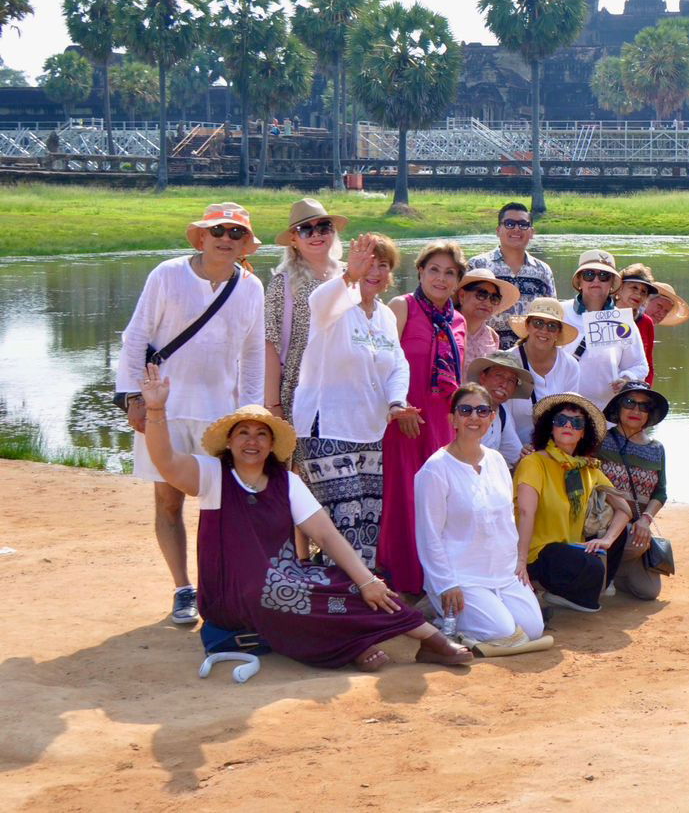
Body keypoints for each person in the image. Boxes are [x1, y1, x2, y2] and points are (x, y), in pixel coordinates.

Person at [136, 366, 472, 671]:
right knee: (284, 596)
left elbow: (326, 537)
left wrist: (367, 581)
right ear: (229, 441)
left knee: (355, 585)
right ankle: (356, 645)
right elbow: (166, 462)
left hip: (287, 577)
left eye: (261, 434)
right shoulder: (213, 474)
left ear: (271, 445)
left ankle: (431, 643)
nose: (252, 441)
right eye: (243, 433)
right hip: (234, 592)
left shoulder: (287, 482)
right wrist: (155, 409)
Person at [115, 202, 265, 625]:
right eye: (218, 230)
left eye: (236, 233)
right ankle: (183, 588)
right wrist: (132, 398)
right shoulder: (167, 274)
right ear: (201, 236)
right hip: (165, 408)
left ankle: (220, 587)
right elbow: (136, 337)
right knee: (168, 500)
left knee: (224, 504)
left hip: (222, 413)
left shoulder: (251, 288)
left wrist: (250, 413)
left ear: (245, 245)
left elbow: (253, 356)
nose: (225, 239)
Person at [294, 234, 413, 570]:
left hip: (370, 432)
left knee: (368, 521)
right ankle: (341, 603)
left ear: (390, 275)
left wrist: (395, 403)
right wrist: (349, 277)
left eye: (383, 265)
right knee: (342, 524)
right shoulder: (335, 303)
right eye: (367, 263)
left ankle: (362, 602)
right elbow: (320, 301)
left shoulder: (386, 316)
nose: (374, 271)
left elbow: (398, 365)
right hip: (327, 428)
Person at [414, 382, 552, 651]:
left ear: (491, 417)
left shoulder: (497, 461)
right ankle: (443, 613)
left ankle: (479, 622)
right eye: (465, 410)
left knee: (534, 630)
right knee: (506, 633)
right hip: (460, 576)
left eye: (482, 410)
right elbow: (428, 535)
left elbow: (506, 522)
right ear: (452, 418)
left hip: (503, 573)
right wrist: (446, 584)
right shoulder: (435, 470)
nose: (474, 417)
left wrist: (518, 563)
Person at [381, 240, 469, 595]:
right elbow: (384, 366)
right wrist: (397, 407)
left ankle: (437, 582)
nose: (441, 278)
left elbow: (457, 381)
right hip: (405, 421)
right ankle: (402, 582)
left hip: (443, 427)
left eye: (450, 273)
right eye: (434, 269)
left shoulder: (459, 320)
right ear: (420, 271)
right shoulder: (401, 307)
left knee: (440, 504)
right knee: (404, 501)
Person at [514, 393, 632, 613]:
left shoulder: (588, 467)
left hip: (571, 549)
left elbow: (624, 509)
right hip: (538, 552)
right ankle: (547, 584)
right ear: (551, 427)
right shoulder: (534, 462)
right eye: (561, 420)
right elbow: (525, 512)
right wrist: (520, 561)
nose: (568, 425)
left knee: (621, 533)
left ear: (583, 432)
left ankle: (577, 590)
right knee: (591, 568)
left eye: (576, 422)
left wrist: (606, 540)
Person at [264, 197, 346, 428]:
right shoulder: (284, 283)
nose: (316, 235)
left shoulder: (351, 275)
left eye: (323, 227)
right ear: (293, 239)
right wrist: (272, 404)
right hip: (301, 388)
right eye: (306, 230)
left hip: (349, 386)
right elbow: (270, 344)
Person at [599, 383, 674, 600]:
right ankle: (604, 573)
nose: (636, 411)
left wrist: (646, 520)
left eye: (644, 406)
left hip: (638, 525)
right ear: (618, 408)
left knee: (648, 592)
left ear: (650, 414)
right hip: (606, 524)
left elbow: (660, 492)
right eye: (629, 403)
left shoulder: (656, 449)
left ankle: (614, 571)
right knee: (633, 543)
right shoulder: (601, 441)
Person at [561, 250, 649, 407]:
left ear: (612, 284)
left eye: (604, 276)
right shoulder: (560, 312)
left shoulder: (623, 321)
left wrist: (626, 379)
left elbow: (640, 365)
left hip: (605, 412)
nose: (596, 280)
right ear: (579, 281)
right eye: (589, 275)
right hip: (561, 409)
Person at [468, 201, 555, 349]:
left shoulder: (543, 271)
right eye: (509, 224)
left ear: (531, 232)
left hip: (529, 353)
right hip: (484, 351)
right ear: (498, 230)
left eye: (523, 224)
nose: (516, 229)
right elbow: (462, 310)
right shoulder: (478, 265)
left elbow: (551, 315)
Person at [504, 296, 583, 434]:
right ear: (527, 325)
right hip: (512, 449)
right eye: (538, 323)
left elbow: (569, 413)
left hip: (553, 447)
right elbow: (504, 417)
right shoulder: (508, 361)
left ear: (558, 332)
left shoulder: (570, 365)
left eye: (552, 326)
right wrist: (518, 451)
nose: (544, 330)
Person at [466, 348, 535, 461]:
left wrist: (526, 456)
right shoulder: (465, 409)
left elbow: (515, 456)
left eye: (511, 381)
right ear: (483, 377)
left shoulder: (502, 413)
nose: (504, 384)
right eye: (499, 375)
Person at [455, 267, 519, 365]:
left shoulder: (493, 337)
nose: (488, 303)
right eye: (481, 294)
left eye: (494, 298)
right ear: (462, 295)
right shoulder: (446, 329)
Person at [614, 264, 660, 384]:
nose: (638, 295)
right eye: (634, 288)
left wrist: (646, 391)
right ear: (619, 288)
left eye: (643, 292)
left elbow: (648, 365)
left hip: (630, 388)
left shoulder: (646, 322)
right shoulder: (602, 315)